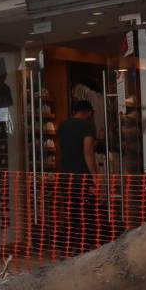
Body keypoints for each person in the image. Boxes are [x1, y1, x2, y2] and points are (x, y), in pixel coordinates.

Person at [57, 98, 100, 255]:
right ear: (88, 113)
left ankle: (67, 247)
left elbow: (65, 149)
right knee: (87, 212)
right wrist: (95, 176)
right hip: (82, 177)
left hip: (65, 176)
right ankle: (84, 246)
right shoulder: (87, 126)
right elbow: (88, 152)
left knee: (71, 212)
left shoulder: (63, 126)